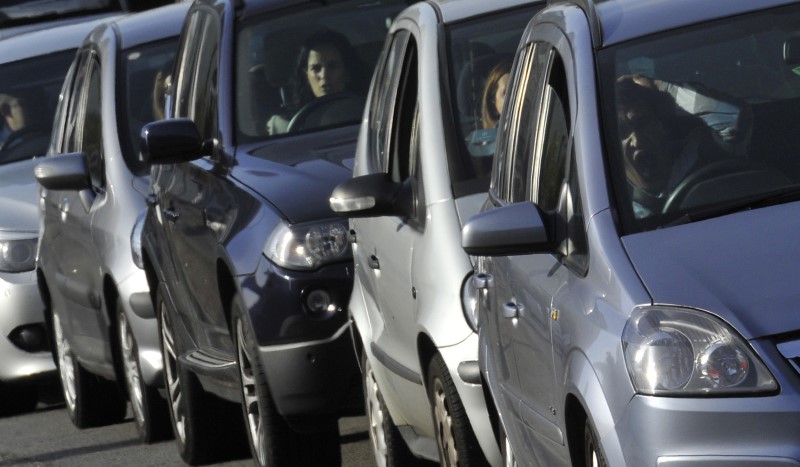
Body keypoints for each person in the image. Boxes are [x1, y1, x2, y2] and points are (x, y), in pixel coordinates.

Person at [615, 75, 729, 218]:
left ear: (661, 123)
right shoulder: (610, 206)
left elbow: (733, 119)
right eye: (622, 131)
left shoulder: (702, 151)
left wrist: (661, 88)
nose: (637, 141)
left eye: (643, 123)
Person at [266, 29, 364, 135]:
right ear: (306, 76)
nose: (324, 76)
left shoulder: (373, 114)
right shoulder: (282, 126)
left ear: (347, 72)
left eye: (333, 66)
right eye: (316, 68)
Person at [0, 92, 49, 164]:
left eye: (39, 102)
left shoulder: (58, 135)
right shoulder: (3, 150)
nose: (35, 110)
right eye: (24, 104)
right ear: (6, 110)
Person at [481, 59, 511, 129]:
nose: (516, 97)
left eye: (520, 89)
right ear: (493, 107)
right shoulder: (496, 138)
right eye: (506, 92)